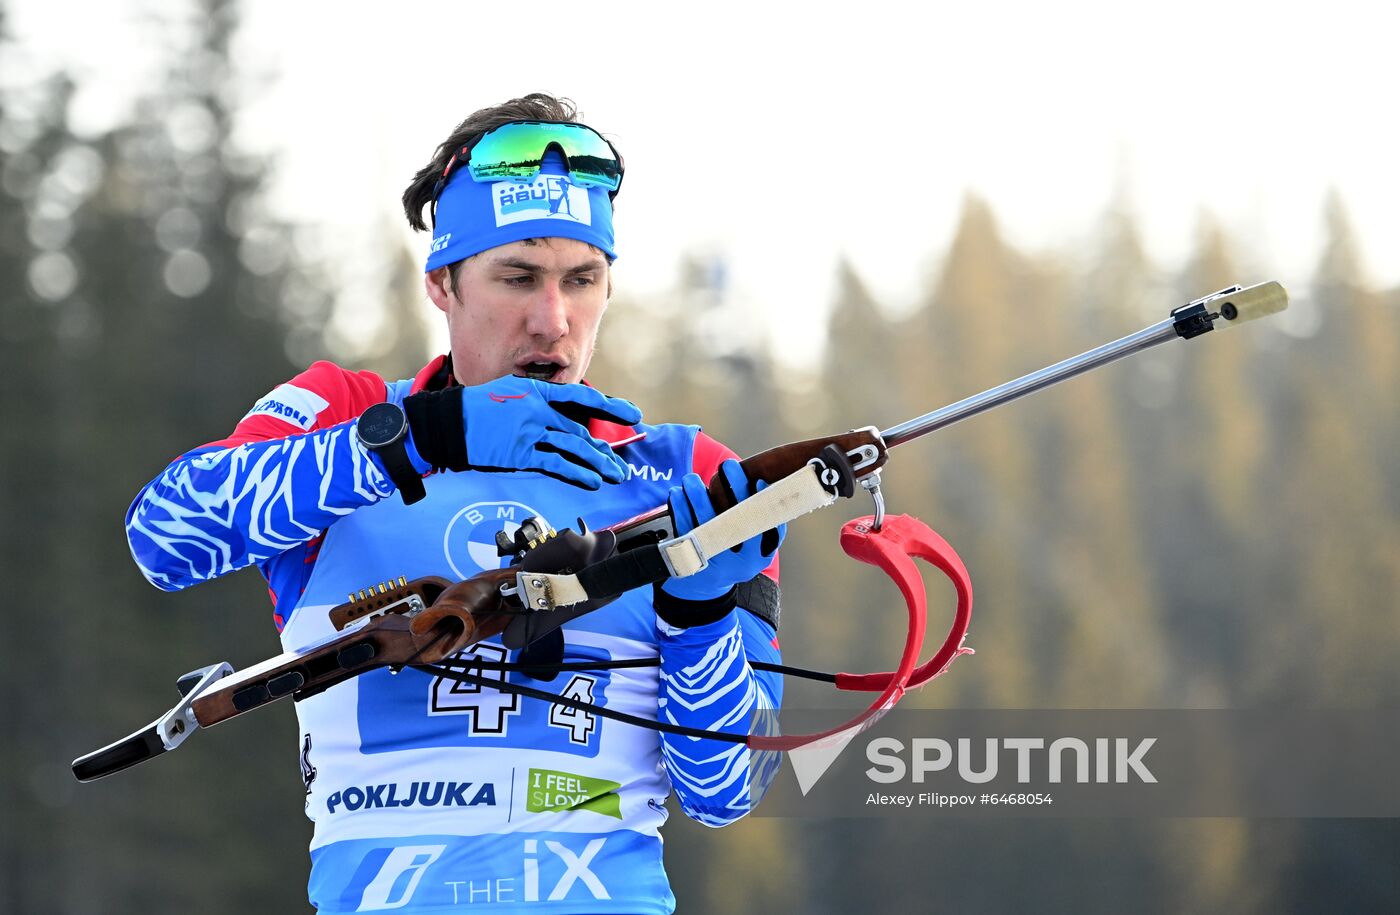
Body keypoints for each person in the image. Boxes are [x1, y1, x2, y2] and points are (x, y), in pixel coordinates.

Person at [125, 94, 784, 913]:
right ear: (442, 282)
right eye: (518, 278)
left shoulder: (685, 471)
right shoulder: (344, 414)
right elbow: (164, 537)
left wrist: (701, 612)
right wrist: (421, 437)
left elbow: (729, 790)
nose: (552, 321)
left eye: (582, 279)